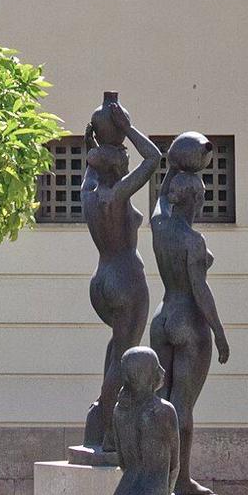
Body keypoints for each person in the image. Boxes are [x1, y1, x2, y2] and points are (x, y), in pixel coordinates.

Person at [78, 92, 162, 456]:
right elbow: (154, 159)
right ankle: (110, 432)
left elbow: (95, 150)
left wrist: (101, 132)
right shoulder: (115, 193)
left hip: (101, 280)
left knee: (116, 351)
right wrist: (128, 130)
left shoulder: (89, 188)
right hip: (126, 278)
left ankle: (98, 417)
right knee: (124, 355)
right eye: (123, 161)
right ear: (116, 164)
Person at [150, 131, 230, 495]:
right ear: (195, 198)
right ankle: (180, 481)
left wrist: (174, 161)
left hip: (161, 318)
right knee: (182, 406)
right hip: (188, 322)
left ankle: (155, 475)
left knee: (159, 403)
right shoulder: (192, 241)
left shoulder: (160, 225)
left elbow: (160, 197)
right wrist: (219, 332)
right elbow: (201, 291)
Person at [99, 346, 237, 495]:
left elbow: (123, 462)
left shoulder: (120, 411)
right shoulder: (162, 410)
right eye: (157, 367)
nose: (162, 371)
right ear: (147, 375)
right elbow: (174, 466)